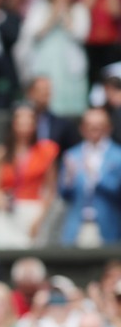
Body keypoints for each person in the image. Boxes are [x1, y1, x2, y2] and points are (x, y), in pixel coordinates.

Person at [0, 103, 60, 249]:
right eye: (21, 121)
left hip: (34, 211)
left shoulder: (46, 151)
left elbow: (50, 190)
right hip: (7, 214)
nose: (25, 126)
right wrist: (0, 202)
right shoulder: (0, 153)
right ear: (13, 124)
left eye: (29, 121)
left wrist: (40, 219)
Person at [59, 106, 121, 247]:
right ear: (82, 128)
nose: (94, 130)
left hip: (108, 226)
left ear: (108, 128)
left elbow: (118, 191)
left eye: (99, 126)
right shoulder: (72, 155)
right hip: (77, 226)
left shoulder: (118, 156)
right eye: (90, 126)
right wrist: (68, 180)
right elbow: (64, 195)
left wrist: (95, 176)